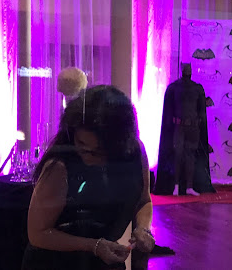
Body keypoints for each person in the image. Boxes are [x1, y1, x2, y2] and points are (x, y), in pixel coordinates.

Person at [21, 85, 155, 270]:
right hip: (56, 263)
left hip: (104, 259)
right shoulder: (60, 167)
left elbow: (143, 201)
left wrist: (142, 228)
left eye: (98, 151)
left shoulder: (135, 152)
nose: (86, 154)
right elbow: (38, 234)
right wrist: (94, 245)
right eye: (81, 143)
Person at [162, 63, 206, 196]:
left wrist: (199, 123)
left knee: (190, 155)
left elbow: (201, 110)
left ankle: (189, 186)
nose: (188, 70)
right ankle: (176, 186)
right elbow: (169, 109)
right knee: (178, 154)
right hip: (179, 126)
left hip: (192, 127)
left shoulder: (197, 88)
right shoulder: (174, 87)